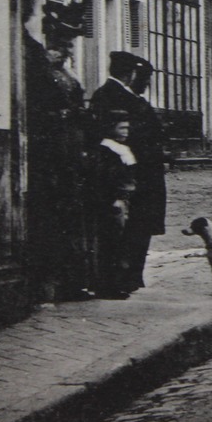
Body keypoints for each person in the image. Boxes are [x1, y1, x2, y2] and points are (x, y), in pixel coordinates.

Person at [26, 0, 94, 300]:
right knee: (53, 218)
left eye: (69, 45)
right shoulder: (42, 72)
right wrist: (67, 116)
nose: (66, 50)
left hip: (71, 153)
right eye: (63, 44)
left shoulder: (68, 75)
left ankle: (73, 281)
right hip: (51, 154)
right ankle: (52, 283)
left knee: (72, 216)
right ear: (51, 43)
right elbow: (37, 110)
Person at [88, 51, 167, 293]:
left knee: (133, 228)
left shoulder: (106, 95)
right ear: (131, 74)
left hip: (135, 173)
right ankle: (126, 278)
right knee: (132, 229)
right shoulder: (120, 98)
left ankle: (129, 277)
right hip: (134, 174)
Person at [85, 109, 137, 299]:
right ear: (110, 128)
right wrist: (116, 197)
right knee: (111, 245)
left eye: (128, 128)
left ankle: (117, 283)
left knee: (118, 244)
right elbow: (110, 179)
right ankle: (109, 286)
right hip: (113, 203)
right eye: (122, 127)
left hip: (121, 201)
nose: (126, 131)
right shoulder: (108, 151)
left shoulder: (116, 148)